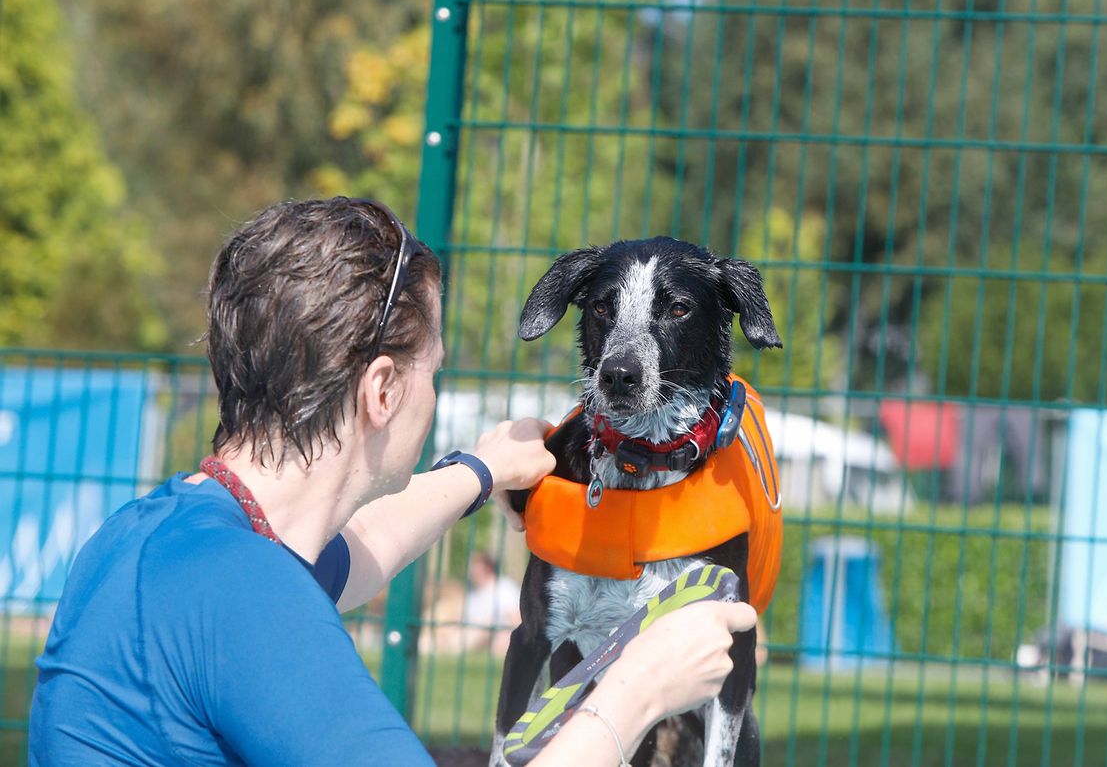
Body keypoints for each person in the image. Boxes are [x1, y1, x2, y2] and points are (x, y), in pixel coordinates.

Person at [28, 197, 757, 766]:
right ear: (382, 392)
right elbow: (275, 602)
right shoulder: (257, 612)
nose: (433, 392)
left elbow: (352, 550)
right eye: (433, 372)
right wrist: (637, 693)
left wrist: (481, 472)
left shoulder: (158, 535)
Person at [462, 552, 521, 656]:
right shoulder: (473, 595)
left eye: (474, 566)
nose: (470, 570)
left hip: (498, 633)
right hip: (473, 633)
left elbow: (516, 619)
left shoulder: (504, 587)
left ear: (487, 568)